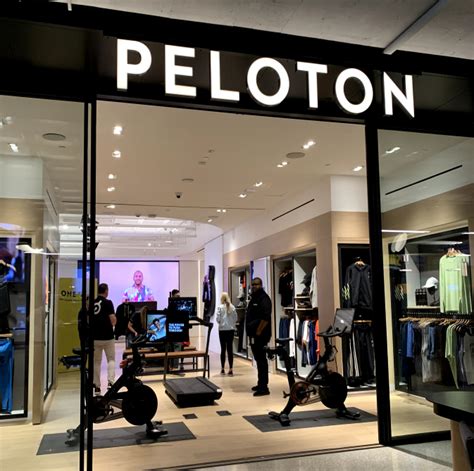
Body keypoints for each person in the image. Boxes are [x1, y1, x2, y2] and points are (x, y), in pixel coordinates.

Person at [246, 277, 272, 396]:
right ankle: (260, 383)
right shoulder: (254, 298)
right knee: (258, 359)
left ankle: (264, 387)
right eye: (252, 284)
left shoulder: (264, 298)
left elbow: (265, 317)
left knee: (261, 360)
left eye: (256, 284)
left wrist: (258, 331)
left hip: (261, 335)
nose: (254, 286)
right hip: (254, 335)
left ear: (261, 285)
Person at [93, 283, 116, 394]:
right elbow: (113, 320)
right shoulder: (108, 302)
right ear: (106, 291)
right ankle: (110, 382)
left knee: (96, 362)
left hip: (95, 337)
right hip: (107, 336)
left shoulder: (92, 303)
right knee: (111, 359)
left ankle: (97, 387)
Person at [216, 292, 237, 376]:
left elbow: (218, 319)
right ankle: (231, 369)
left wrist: (222, 322)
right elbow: (236, 318)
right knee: (230, 349)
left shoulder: (220, 307)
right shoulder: (233, 307)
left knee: (223, 349)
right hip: (230, 330)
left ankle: (222, 369)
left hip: (222, 330)